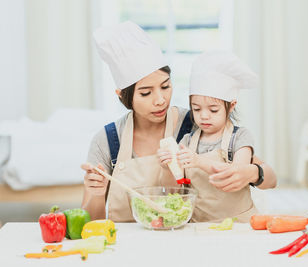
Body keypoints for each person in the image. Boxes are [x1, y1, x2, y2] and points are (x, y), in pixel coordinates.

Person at [81, 21, 276, 222]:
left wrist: (252, 173)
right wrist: (96, 192)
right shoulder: (107, 141)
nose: (160, 100)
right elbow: (90, 221)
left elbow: (270, 179)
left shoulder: (197, 123)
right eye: (146, 93)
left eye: (165, 87)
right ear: (122, 96)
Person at [158, 51, 274, 222]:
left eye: (213, 109)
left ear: (232, 105)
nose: (204, 116)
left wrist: (198, 161)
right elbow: (174, 189)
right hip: (199, 225)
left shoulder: (240, 137)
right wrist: (167, 167)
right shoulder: (187, 141)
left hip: (239, 224)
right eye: (196, 109)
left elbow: (236, 173)